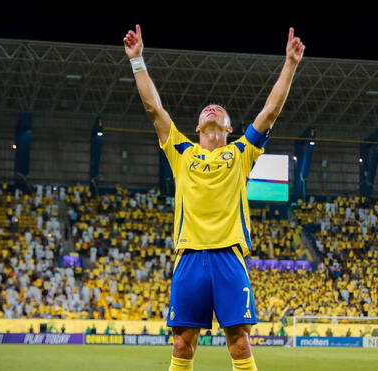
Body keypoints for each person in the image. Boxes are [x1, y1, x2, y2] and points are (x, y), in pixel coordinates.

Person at [123, 24, 304, 371]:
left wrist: (290, 64)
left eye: (218, 110)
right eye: (206, 109)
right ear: (196, 127)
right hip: (189, 255)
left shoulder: (240, 153)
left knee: (239, 341)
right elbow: (154, 109)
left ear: (229, 128)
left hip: (228, 256)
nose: (211, 109)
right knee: (182, 342)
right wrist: (137, 61)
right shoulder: (181, 152)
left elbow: (269, 112)